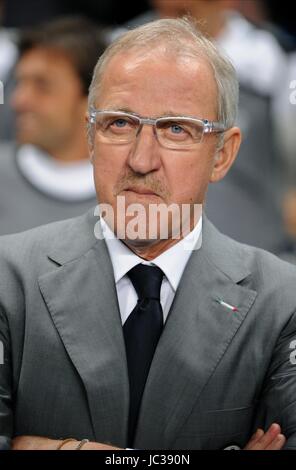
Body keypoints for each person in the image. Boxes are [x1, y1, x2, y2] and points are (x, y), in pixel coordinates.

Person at [0, 17, 296, 451]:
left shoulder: (283, 302)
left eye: (177, 129)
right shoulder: (8, 279)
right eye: (119, 124)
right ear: (90, 136)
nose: (141, 159)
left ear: (223, 154)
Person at [0, 17, 106, 235]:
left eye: (42, 85)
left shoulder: (132, 191)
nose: (18, 100)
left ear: (91, 98)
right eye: (20, 83)